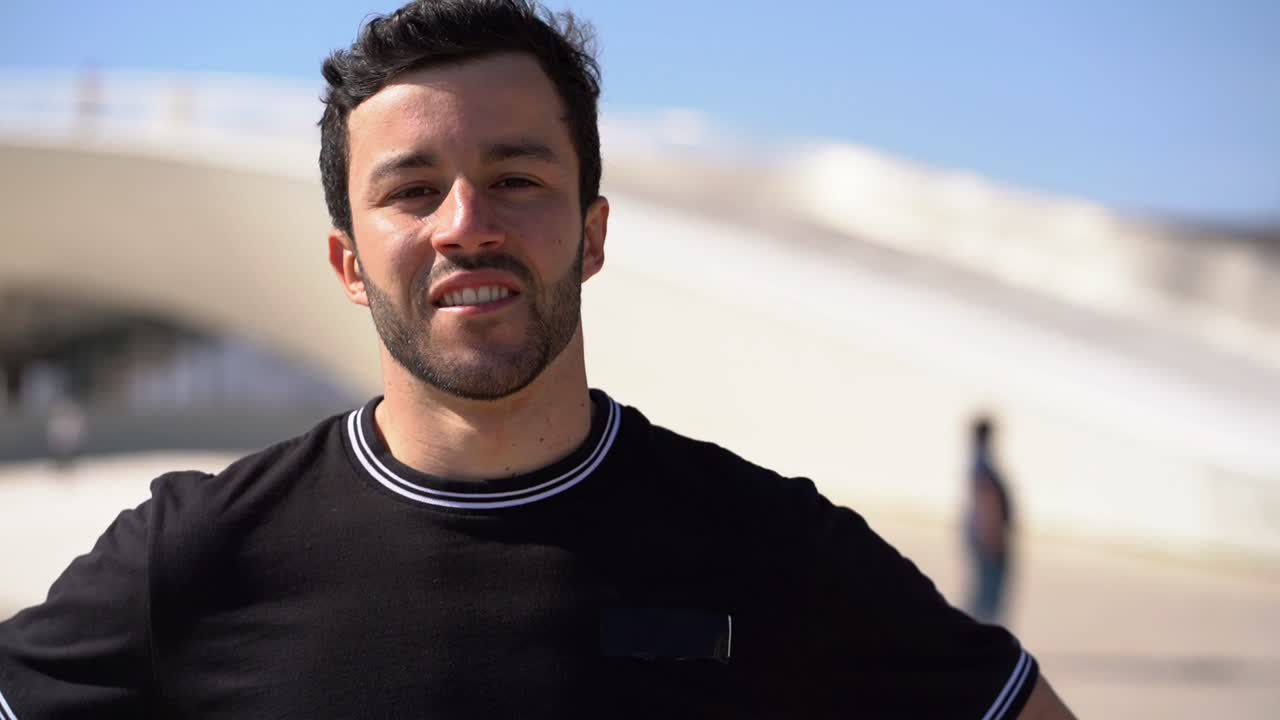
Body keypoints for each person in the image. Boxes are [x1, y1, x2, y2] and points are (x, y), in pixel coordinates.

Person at [0, 2, 1076, 717]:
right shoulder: (195, 555)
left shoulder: (770, 544)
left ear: (593, 232)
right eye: (411, 190)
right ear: (347, 262)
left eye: (514, 177)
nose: (464, 222)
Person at [965, 415, 1015, 623]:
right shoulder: (983, 464)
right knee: (987, 599)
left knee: (984, 595)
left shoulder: (979, 461)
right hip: (989, 541)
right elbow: (987, 503)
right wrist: (992, 539)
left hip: (984, 538)